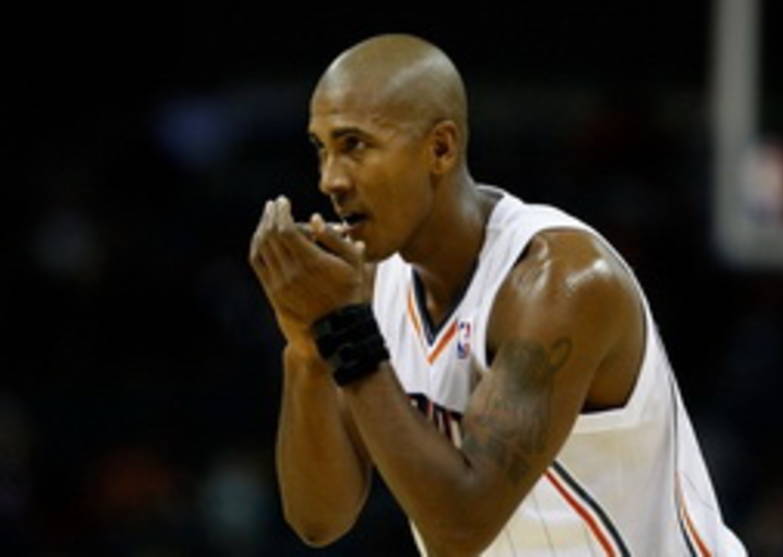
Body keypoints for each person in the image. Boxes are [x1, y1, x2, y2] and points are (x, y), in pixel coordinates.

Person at [249, 33, 746, 556]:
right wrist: (307, 350)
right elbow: (320, 521)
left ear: (440, 148)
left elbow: (460, 530)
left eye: (354, 145)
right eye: (321, 149)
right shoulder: (370, 285)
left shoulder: (561, 283)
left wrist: (346, 327)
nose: (330, 180)